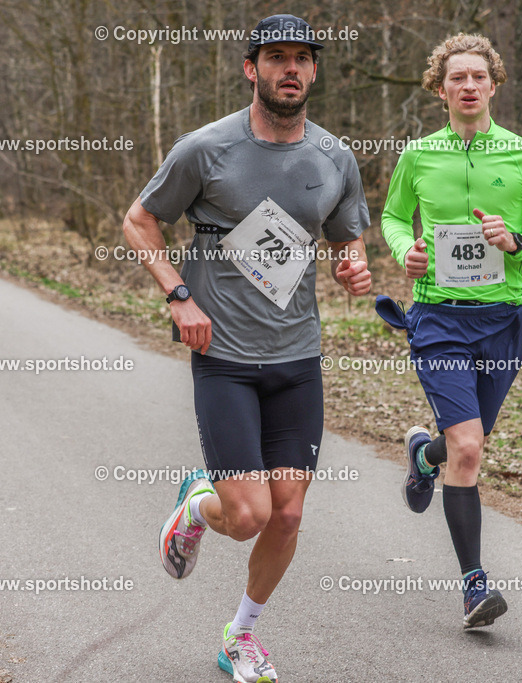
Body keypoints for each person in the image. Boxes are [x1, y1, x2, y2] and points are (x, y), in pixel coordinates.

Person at [121, 14, 371, 683]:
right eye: (275, 57)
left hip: (297, 358)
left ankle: (241, 635)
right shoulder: (205, 150)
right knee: (248, 514)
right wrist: (179, 295)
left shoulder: (334, 157)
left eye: (301, 58)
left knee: (286, 514)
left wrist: (354, 266)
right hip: (225, 356)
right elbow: (139, 220)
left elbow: (349, 237)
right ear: (250, 68)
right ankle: (198, 505)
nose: (290, 69)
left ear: (315, 70)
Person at [378, 33, 522, 629]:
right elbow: (392, 216)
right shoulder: (420, 155)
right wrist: (407, 250)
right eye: (457, 77)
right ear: (440, 87)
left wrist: (516, 242)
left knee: (463, 445)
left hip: (504, 320)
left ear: (494, 83)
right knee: (471, 448)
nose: (468, 86)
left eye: (478, 76)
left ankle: (421, 456)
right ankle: (474, 586)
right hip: (438, 317)